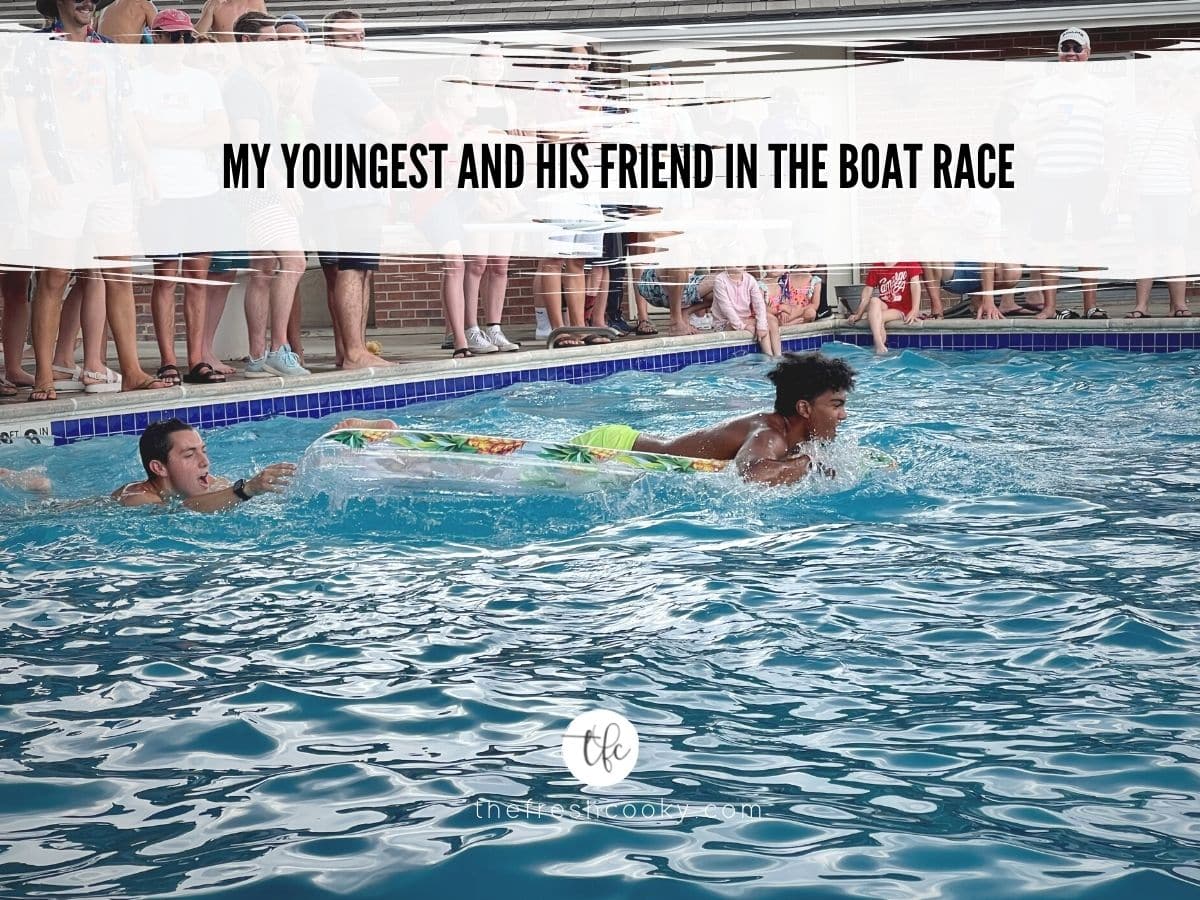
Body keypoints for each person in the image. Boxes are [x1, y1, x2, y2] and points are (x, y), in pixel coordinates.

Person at [335, 352, 855, 487]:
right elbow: (751, 478)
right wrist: (810, 466)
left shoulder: (788, 433)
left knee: (508, 467)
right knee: (499, 470)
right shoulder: (767, 434)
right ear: (804, 409)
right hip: (613, 452)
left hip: (630, 447)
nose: (844, 414)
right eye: (837, 404)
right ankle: (396, 447)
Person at [113, 418, 294, 511]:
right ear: (159, 468)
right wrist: (246, 490)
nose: (205, 462)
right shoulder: (137, 498)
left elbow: (227, 495)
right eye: (190, 454)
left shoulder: (208, 482)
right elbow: (183, 511)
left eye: (204, 451)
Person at [849, 261, 923, 354]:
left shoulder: (908, 262)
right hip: (886, 305)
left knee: (877, 318)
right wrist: (858, 314)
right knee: (874, 300)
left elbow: (915, 285)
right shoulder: (877, 266)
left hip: (901, 309)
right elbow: (868, 290)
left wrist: (915, 309)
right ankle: (879, 343)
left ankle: (878, 344)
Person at [711, 265, 773, 355]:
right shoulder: (720, 280)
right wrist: (743, 326)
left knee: (764, 325)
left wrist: (761, 326)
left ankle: (772, 357)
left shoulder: (750, 279)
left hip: (745, 320)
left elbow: (759, 304)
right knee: (764, 324)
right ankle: (769, 358)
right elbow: (727, 308)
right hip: (725, 324)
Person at [196, 0, 266, 41]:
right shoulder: (214, 4)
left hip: (252, 57)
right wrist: (210, 9)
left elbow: (268, 31)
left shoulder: (257, 2)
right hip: (225, 60)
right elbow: (195, 36)